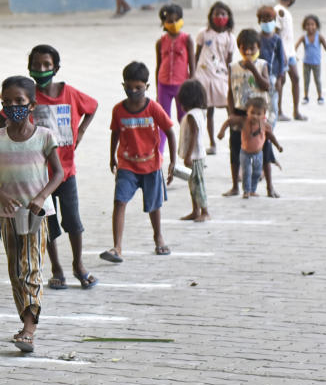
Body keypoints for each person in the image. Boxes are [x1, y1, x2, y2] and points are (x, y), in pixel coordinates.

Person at [0, 76, 63, 354]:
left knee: (31, 268)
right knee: (15, 270)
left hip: (37, 213)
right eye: (9, 101)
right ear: (2, 104)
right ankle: (26, 320)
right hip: (8, 214)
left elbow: (59, 173)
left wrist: (42, 196)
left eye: (20, 101)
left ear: (32, 105)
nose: (14, 106)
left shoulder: (44, 137)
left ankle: (29, 330)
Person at [28, 44, 98, 290]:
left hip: (66, 173)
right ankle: (56, 267)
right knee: (48, 224)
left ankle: (78, 264)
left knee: (74, 222)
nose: (41, 69)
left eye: (47, 65)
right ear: (29, 68)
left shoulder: (69, 93)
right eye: (36, 65)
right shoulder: (29, 96)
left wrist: (81, 134)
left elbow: (92, 106)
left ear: (56, 68)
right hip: (40, 177)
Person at [100, 61, 176, 263]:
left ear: (147, 87)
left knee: (154, 204)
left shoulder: (154, 108)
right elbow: (115, 133)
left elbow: (169, 130)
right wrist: (112, 157)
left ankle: (158, 236)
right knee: (119, 201)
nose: (133, 91)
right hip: (127, 164)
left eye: (138, 88)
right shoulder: (118, 110)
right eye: (129, 87)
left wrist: (172, 160)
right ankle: (117, 247)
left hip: (150, 164)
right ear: (123, 85)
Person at [222, 29, 271, 198]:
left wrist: (253, 70)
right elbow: (230, 91)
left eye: (252, 48)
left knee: (264, 147)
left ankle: (269, 187)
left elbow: (267, 86)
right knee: (235, 147)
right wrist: (230, 112)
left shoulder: (262, 65)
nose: (248, 52)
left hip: (257, 113)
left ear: (258, 47)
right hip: (240, 111)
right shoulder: (233, 67)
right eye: (244, 48)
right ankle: (235, 185)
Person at [218, 98, 283, 198]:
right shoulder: (243, 121)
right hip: (245, 153)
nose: (255, 116)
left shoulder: (264, 125)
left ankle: (252, 189)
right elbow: (229, 121)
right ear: (247, 111)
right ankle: (246, 191)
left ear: (264, 114)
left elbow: (271, 136)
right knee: (246, 172)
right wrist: (222, 132)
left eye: (258, 114)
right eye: (252, 112)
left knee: (257, 173)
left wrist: (278, 146)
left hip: (258, 153)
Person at [194, 1, 235, 154]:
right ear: (211, 16)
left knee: (229, 108)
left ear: (228, 17)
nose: (219, 17)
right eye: (216, 14)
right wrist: (192, 75)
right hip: (204, 76)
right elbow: (196, 55)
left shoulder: (230, 37)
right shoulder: (203, 34)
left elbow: (230, 61)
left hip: (221, 77)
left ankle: (232, 138)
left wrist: (231, 79)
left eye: (223, 14)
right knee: (208, 110)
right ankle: (212, 143)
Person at [155, 3, 194, 147]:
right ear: (164, 23)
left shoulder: (187, 40)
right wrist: (157, 91)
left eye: (176, 20)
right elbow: (158, 66)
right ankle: (159, 152)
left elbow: (192, 64)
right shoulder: (161, 42)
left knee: (184, 118)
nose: (173, 24)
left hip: (182, 85)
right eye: (169, 21)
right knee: (163, 120)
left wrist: (192, 85)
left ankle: (189, 149)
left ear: (181, 20)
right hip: (163, 85)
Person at [176, 80, 209, 222]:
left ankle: (205, 211)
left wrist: (188, 155)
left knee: (198, 184)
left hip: (195, 156)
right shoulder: (200, 112)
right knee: (192, 184)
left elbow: (194, 135)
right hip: (197, 156)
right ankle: (196, 210)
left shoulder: (191, 116)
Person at [274, 0, 304, 120]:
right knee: (282, 80)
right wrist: (282, 53)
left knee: (295, 79)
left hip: (290, 52)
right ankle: (279, 111)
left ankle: (295, 111)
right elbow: (276, 34)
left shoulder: (284, 11)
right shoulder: (279, 11)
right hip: (283, 53)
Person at [257, 5, 288, 122]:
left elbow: (281, 59)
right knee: (261, 104)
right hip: (259, 76)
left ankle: (270, 128)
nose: (267, 23)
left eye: (270, 20)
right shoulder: (257, 38)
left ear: (274, 21)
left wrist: (280, 77)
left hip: (273, 76)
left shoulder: (277, 39)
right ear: (259, 21)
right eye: (264, 20)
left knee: (273, 105)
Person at [295, 14, 326, 105]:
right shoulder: (303, 37)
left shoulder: (319, 37)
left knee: (317, 80)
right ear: (304, 26)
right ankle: (306, 97)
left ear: (316, 26)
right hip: (306, 63)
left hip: (316, 63)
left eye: (312, 24)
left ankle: (320, 96)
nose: (310, 27)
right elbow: (295, 47)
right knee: (306, 80)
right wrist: (295, 55)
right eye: (308, 24)